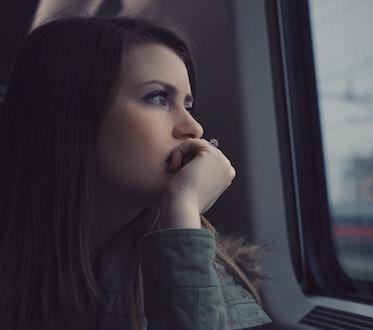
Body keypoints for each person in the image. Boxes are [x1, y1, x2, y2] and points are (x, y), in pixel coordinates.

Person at [0, 16, 272, 330]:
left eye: (188, 104)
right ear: (69, 116)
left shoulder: (206, 264)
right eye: (158, 98)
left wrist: (182, 213)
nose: (194, 128)